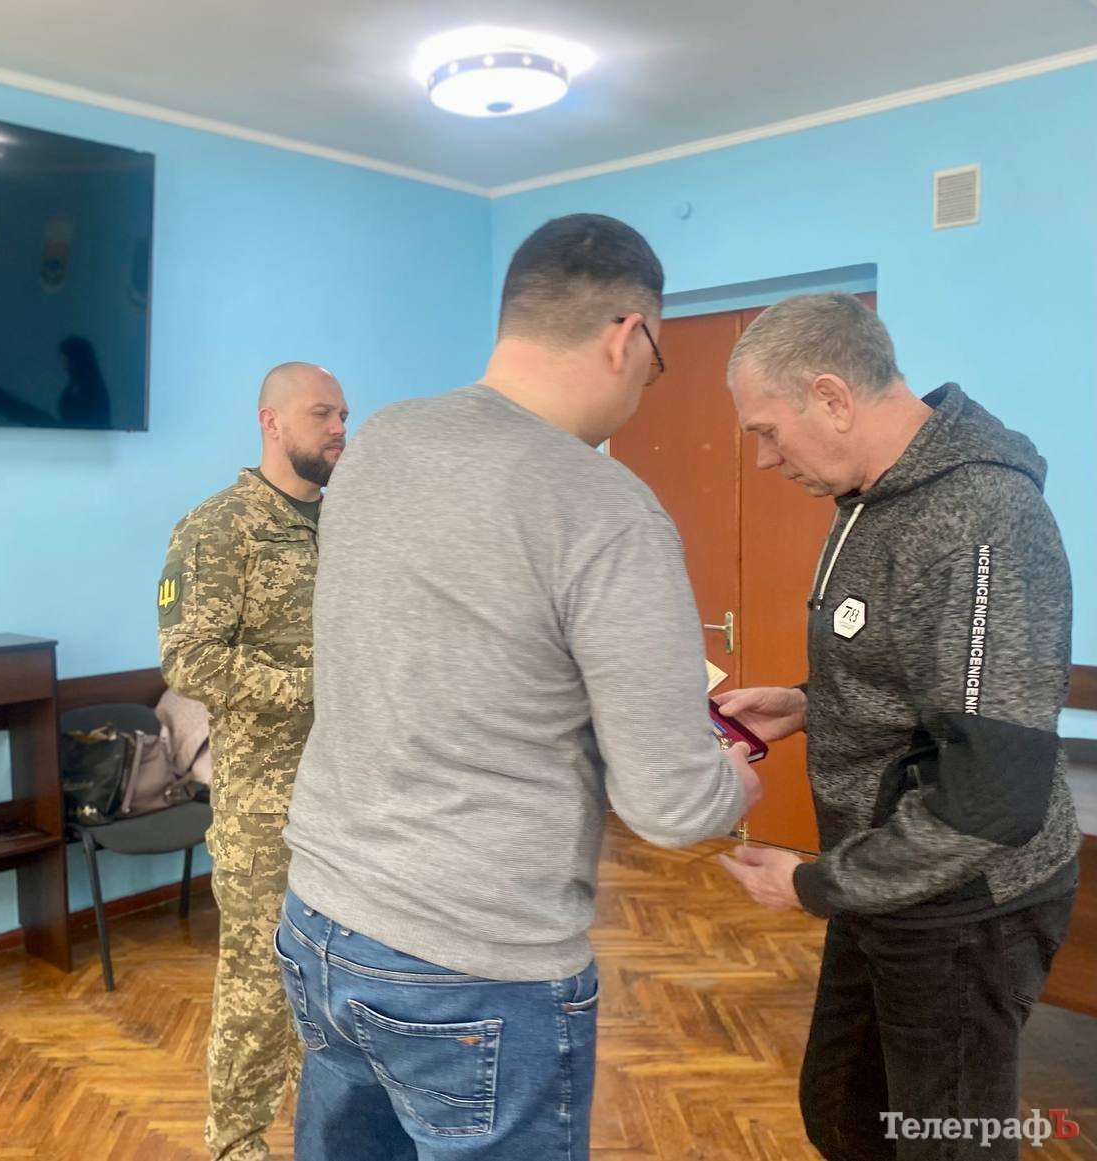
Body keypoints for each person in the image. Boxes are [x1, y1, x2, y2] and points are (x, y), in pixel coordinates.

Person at [278, 213, 761, 1160]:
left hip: (322, 916)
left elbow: (442, 648)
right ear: (628, 336)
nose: (646, 383)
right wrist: (733, 782)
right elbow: (669, 806)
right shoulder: (604, 506)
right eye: (657, 360)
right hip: (473, 962)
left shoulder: (380, 441)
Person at [715, 293, 1079, 1161]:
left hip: (968, 903)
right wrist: (810, 701)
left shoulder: (983, 517)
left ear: (832, 396)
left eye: (768, 431)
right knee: (845, 1112)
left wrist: (812, 886)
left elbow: (991, 796)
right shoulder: (873, 498)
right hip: (886, 876)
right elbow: (924, 674)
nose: (765, 458)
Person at [157, 362, 349, 1161]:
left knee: (337, 976)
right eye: (322, 413)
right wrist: (313, 685)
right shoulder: (217, 527)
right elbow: (189, 658)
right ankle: (235, 1142)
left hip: (351, 797)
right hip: (266, 806)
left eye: (344, 415)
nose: (339, 429)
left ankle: (327, 1129)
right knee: (260, 984)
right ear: (272, 421)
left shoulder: (346, 522)